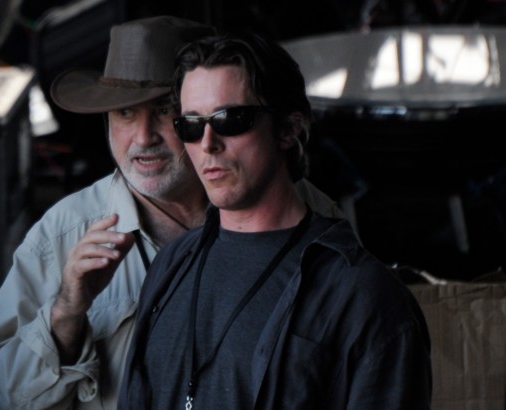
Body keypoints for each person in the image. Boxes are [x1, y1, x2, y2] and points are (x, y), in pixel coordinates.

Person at [0, 16, 346, 410]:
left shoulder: (306, 213)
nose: (143, 137)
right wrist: (67, 310)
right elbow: (5, 397)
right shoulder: (62, 234)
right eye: (124, 113)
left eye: (165, 110)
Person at [118, 31, 432, 409]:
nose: (207, 143)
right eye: (191, 125)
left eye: (230, 119)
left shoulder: (363, 294)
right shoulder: (171, 266)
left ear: (288, 129)